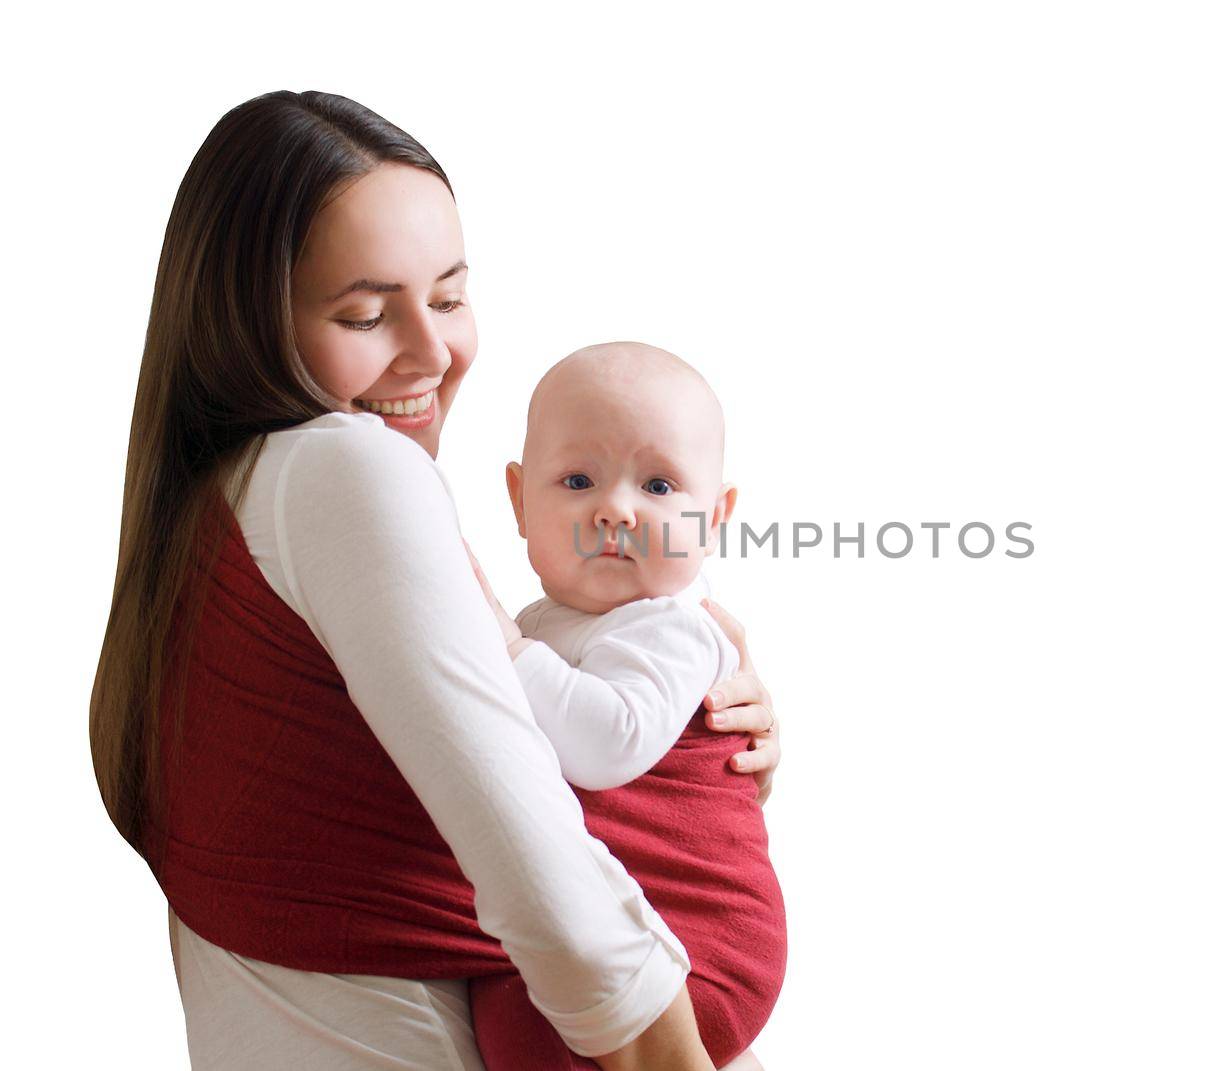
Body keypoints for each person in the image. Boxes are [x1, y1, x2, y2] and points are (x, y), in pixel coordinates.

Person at [87, 90, 781, 1071]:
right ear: (250, 322)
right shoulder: (346, 471)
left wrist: (692, 767)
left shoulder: (213, 507)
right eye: (366, 313)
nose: (432, 352)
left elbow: (478, 760)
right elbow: (557, 896)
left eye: (451, 297)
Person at [468, 342, 785, 1070]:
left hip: (702, 943)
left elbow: (607, 743)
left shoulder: (675, 626)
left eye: (660, 485)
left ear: (715, 515)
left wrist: (506, 652)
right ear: (519, 501)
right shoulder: (544, 625)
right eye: (578, 479)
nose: (615, 508)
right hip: (634, 931)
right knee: (506, 1007)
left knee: (523, 1019)